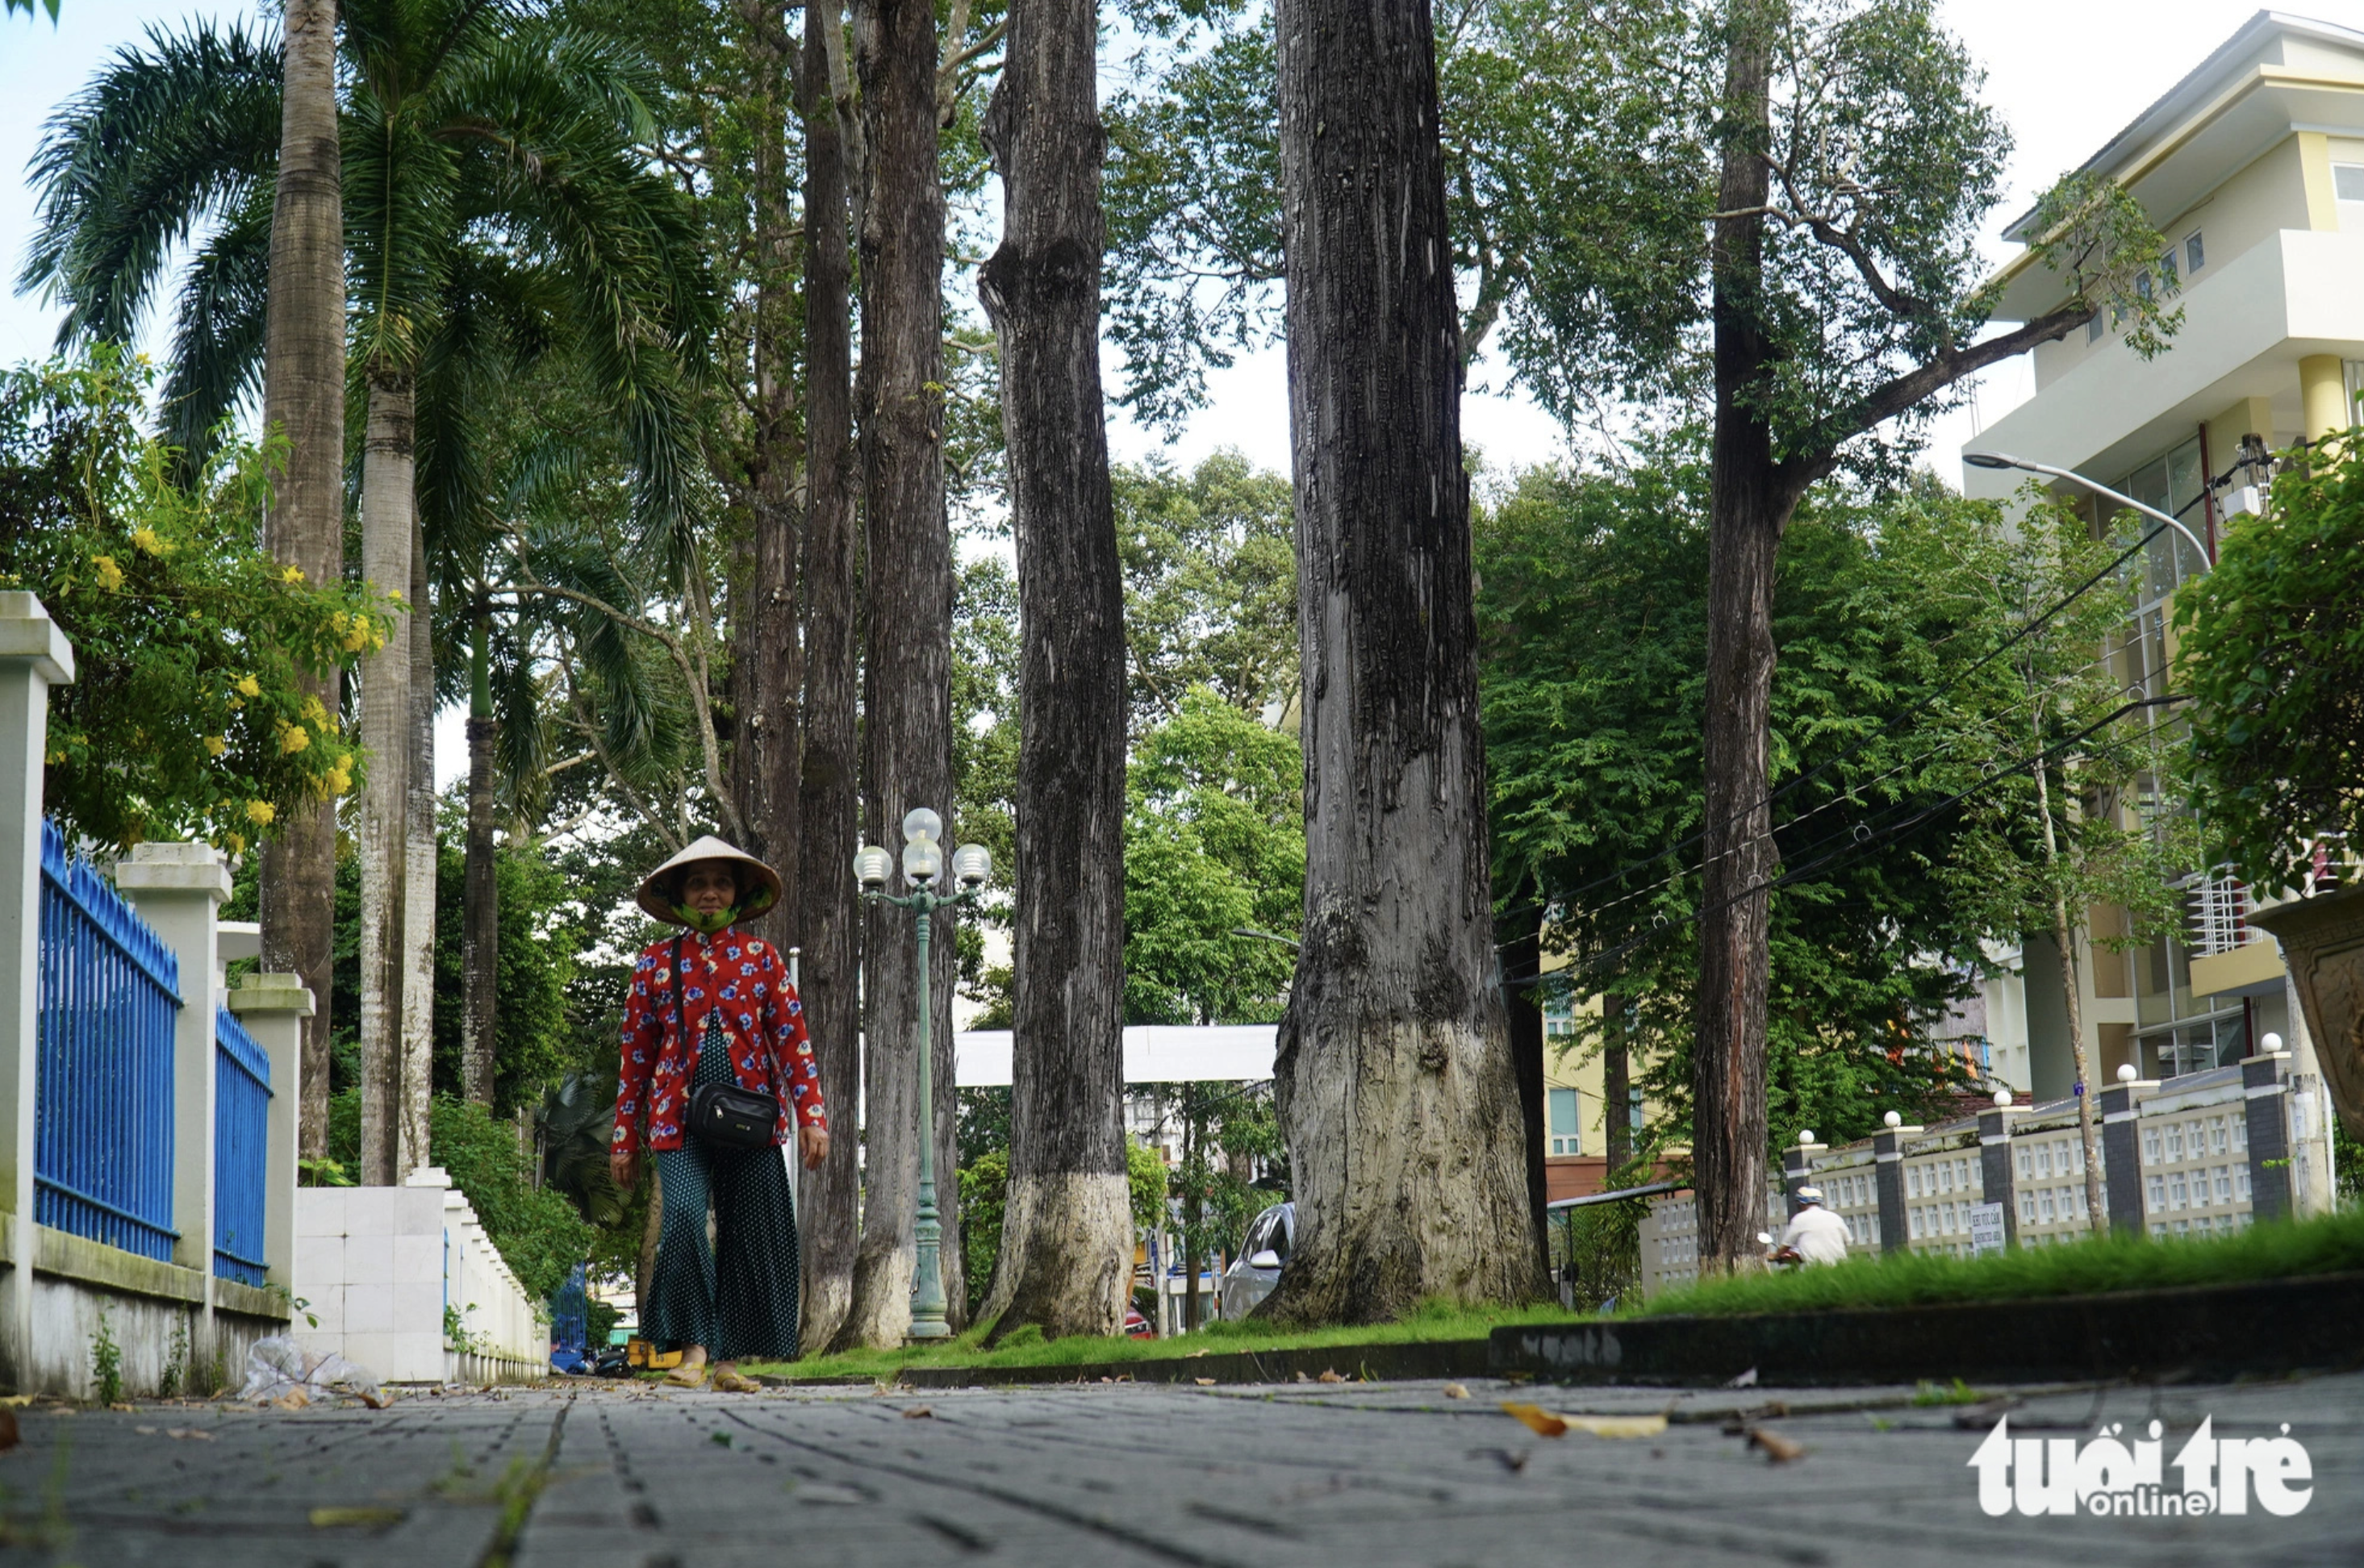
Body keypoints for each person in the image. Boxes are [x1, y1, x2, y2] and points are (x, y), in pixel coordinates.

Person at [610, 836, 829, 1391]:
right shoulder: (656, 963)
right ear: (680, 893)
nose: (710, 893)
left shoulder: (762, 960)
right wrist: (623, 1138)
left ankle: (728, 1361)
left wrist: (812, 1114)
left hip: (750, 1120)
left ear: (738, 894)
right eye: (698, 882)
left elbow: (792, 1040)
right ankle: (693, 1350)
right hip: (675, 1121)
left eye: (722, 883)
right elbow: (635, 1056)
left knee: (750, 1231)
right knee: (682, 1219)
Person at [1772, 1186, 1850, 1267]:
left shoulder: (1800, 1218)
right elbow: (1847, 1241)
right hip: (1840, 1266)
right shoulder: (1835, 1217)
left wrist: (1774, 1256)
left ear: (1801, 1203)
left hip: (1813, 1267)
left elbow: (1786, 1245)